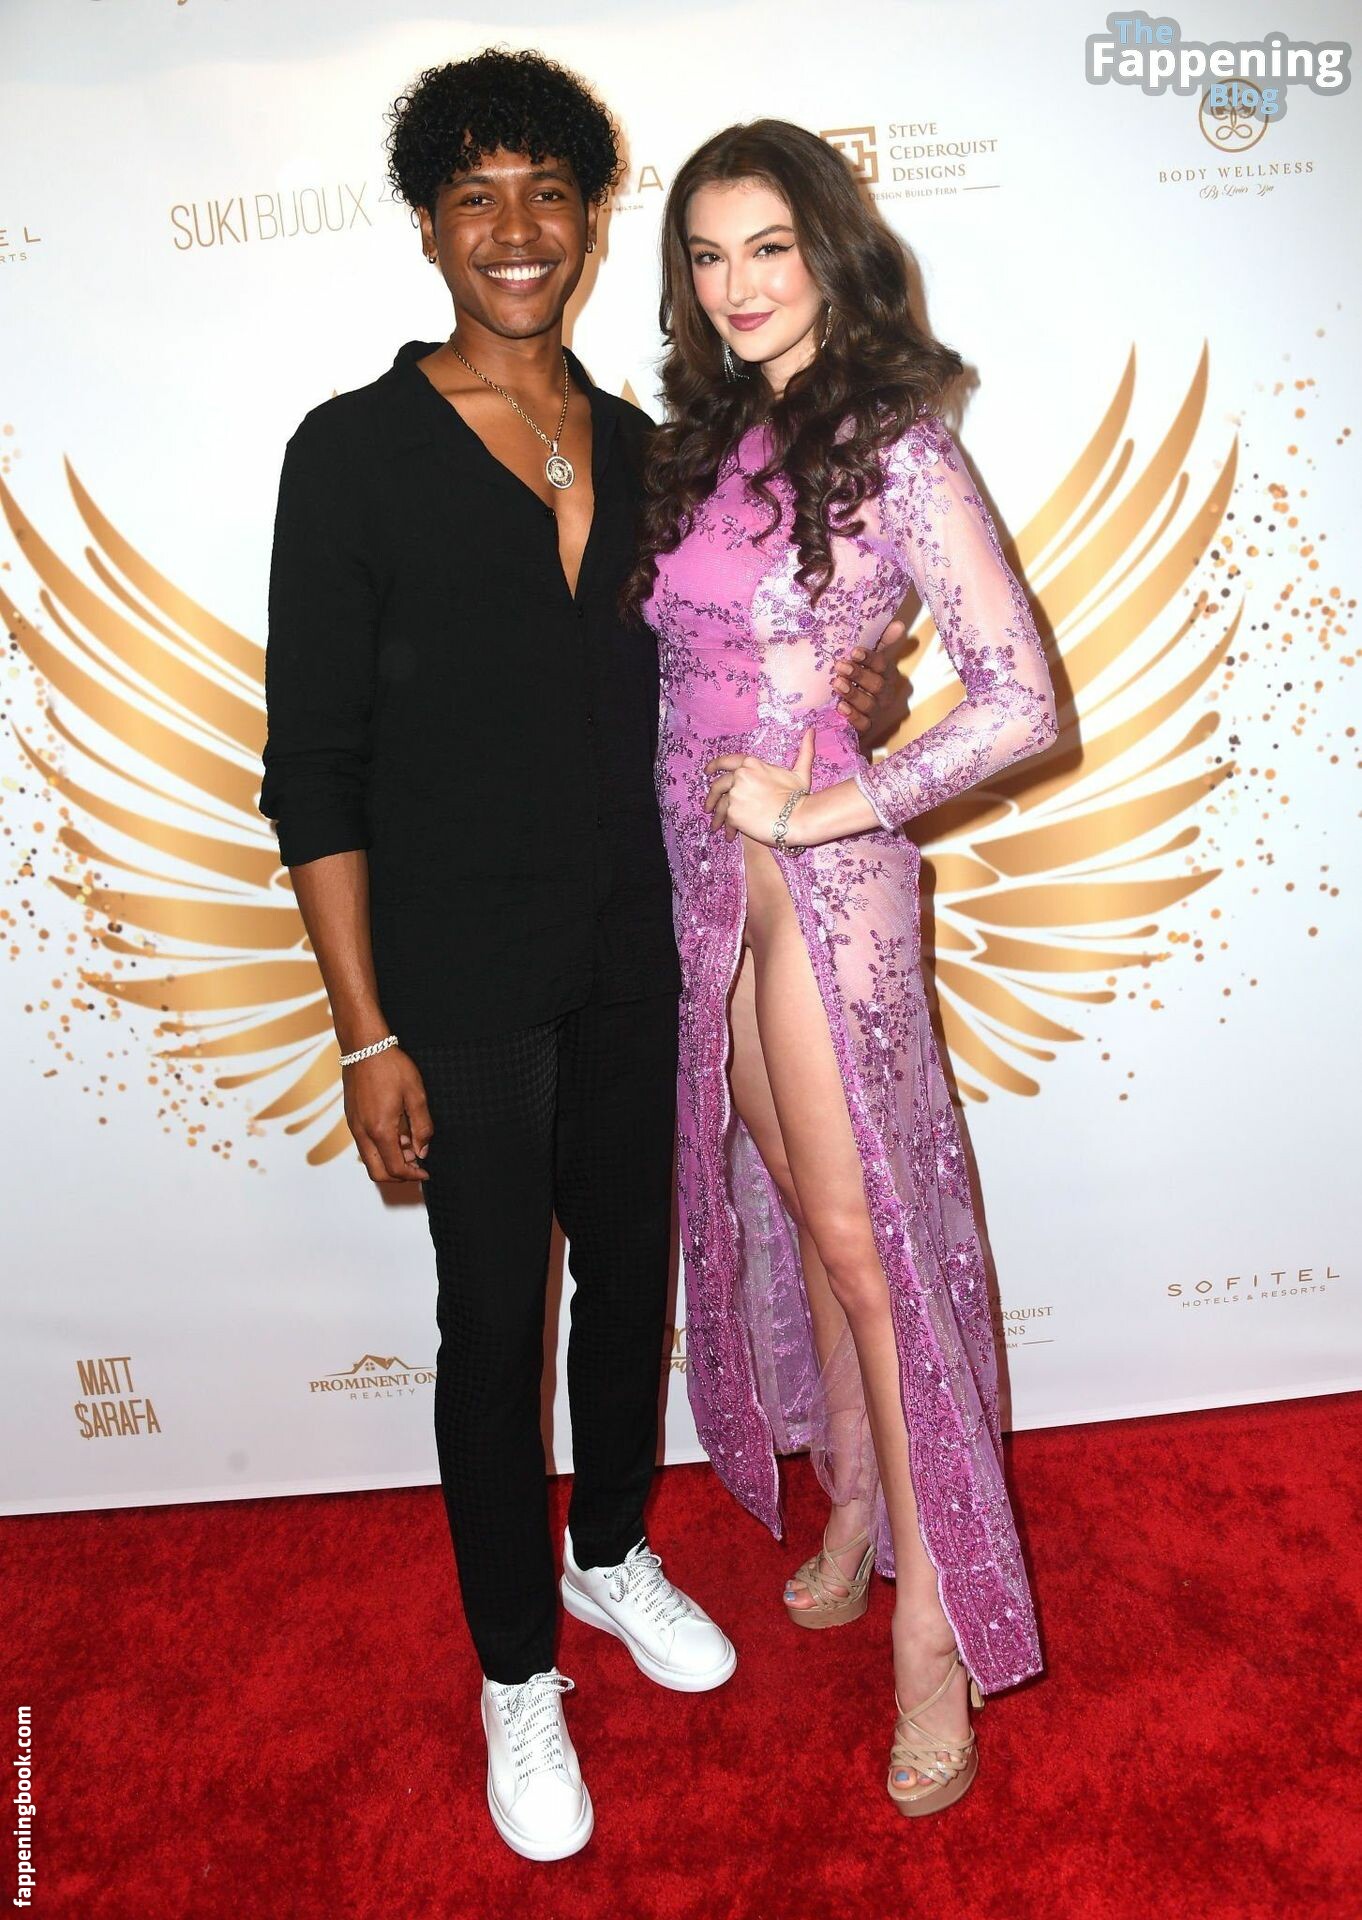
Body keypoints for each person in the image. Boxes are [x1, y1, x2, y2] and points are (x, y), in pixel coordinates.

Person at [258, 54, 894, 1861]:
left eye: (548, 190)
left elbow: (741, 653)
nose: (516, 229)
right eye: (475, 196)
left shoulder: (646, 447)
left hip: (643, 936)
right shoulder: (351, 451)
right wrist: (364, 1033)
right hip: (456, 972)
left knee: (628, 1277)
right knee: (491, 1322)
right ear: (428, 227)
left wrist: (850, 691)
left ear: (593, 218)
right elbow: (313, 768)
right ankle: (514, 1666)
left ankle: (608, 1551)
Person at [629, 117, 1056, 1817]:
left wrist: (825, 805)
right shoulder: (697, 441)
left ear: (828, 250)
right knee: (803, 1216)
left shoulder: (899, 448)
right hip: (699, 888)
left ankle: (933, 1628)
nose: (736, 285)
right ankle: (860, 1496)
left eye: (767, 247)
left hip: (824, 894)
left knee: (870, 1250)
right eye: (706, 254)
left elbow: (1019, 701)